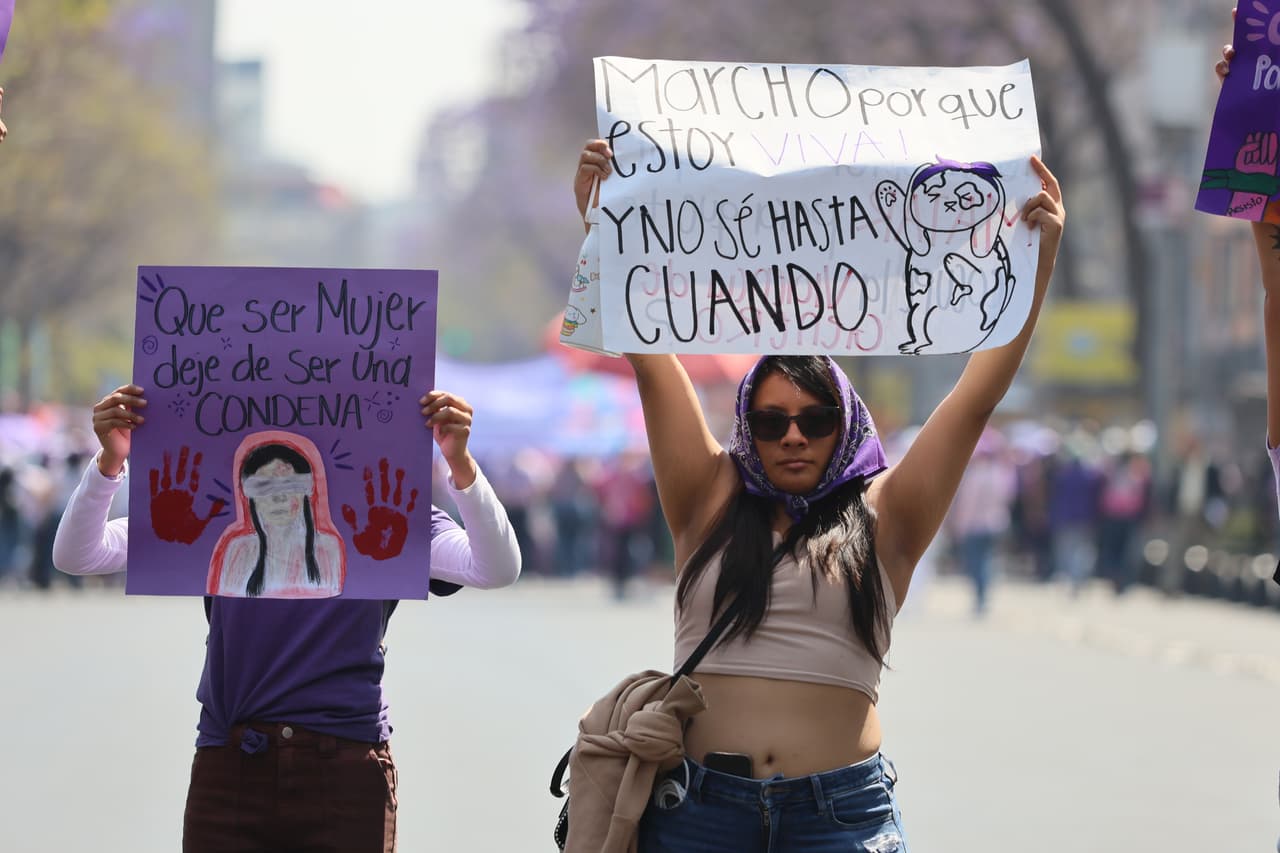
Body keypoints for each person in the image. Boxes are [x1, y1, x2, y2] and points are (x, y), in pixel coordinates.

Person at [574, 139, 1064, 850]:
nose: (794, 437)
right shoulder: (706, 495)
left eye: (815, 418)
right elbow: (650, 357)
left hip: (839, 819)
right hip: (701, 814)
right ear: (749, 428)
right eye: (772, 422)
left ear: (846, 424)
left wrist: (1036, 261)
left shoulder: (888, 514)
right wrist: (604, 222)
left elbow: (975, 398)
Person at [52, 384, 521, 853]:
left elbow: (496, 568)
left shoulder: (383, 519)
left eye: (291, 480)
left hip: (344, 762)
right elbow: (78, 555)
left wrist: (461, 466)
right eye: (262, 482)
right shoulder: (214, 525)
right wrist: (109, 464)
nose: (278, 496)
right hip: (233, 759)